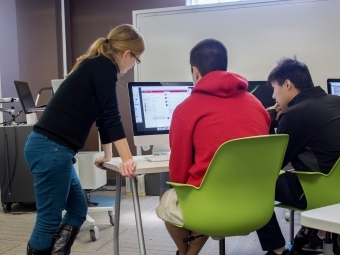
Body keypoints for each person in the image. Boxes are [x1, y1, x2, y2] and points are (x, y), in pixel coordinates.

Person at [24, 24, 144, 255]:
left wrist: (108, 156)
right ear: (127, 53)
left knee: (78, 210)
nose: (133, 65)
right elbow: (111, 116)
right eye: (137, 59)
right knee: (48, 219)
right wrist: (127, 160)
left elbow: (102, 117)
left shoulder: (98, 67)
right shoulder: (103, 67)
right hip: (50, 149)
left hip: (55, 150)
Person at [156, 38, 271, 255]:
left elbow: (179, 176)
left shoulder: (186, 109)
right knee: (208, 190)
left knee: (167, 198)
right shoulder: (257, 105)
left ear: (195, 71)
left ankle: (185, 252)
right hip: (257, 206)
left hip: (210, 208)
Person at [256, 57, 340, 255]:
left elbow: (274, 163)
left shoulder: (294, 113)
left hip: (317, 191)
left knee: (255, 184)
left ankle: (278, 250)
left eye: (274, 88)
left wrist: (268, 121)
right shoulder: (336, 102)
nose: (274, 96)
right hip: (336, 189)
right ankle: (316, 236)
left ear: (287, 84)